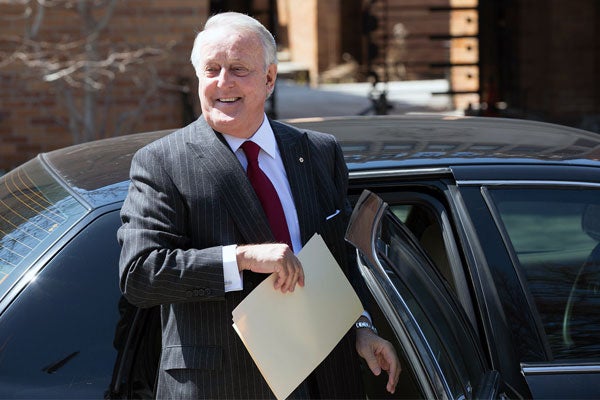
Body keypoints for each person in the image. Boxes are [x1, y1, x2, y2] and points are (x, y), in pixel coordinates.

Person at [117, 11, 400, 399]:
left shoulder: (319, 152)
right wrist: (241, 258)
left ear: (269, 79)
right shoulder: (162, 162)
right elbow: (141, 274)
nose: (223, 82)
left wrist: (360, 327)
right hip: (225, 386)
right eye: (211, 69)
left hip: (326, 378)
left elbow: (342, 259)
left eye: (238, 69)